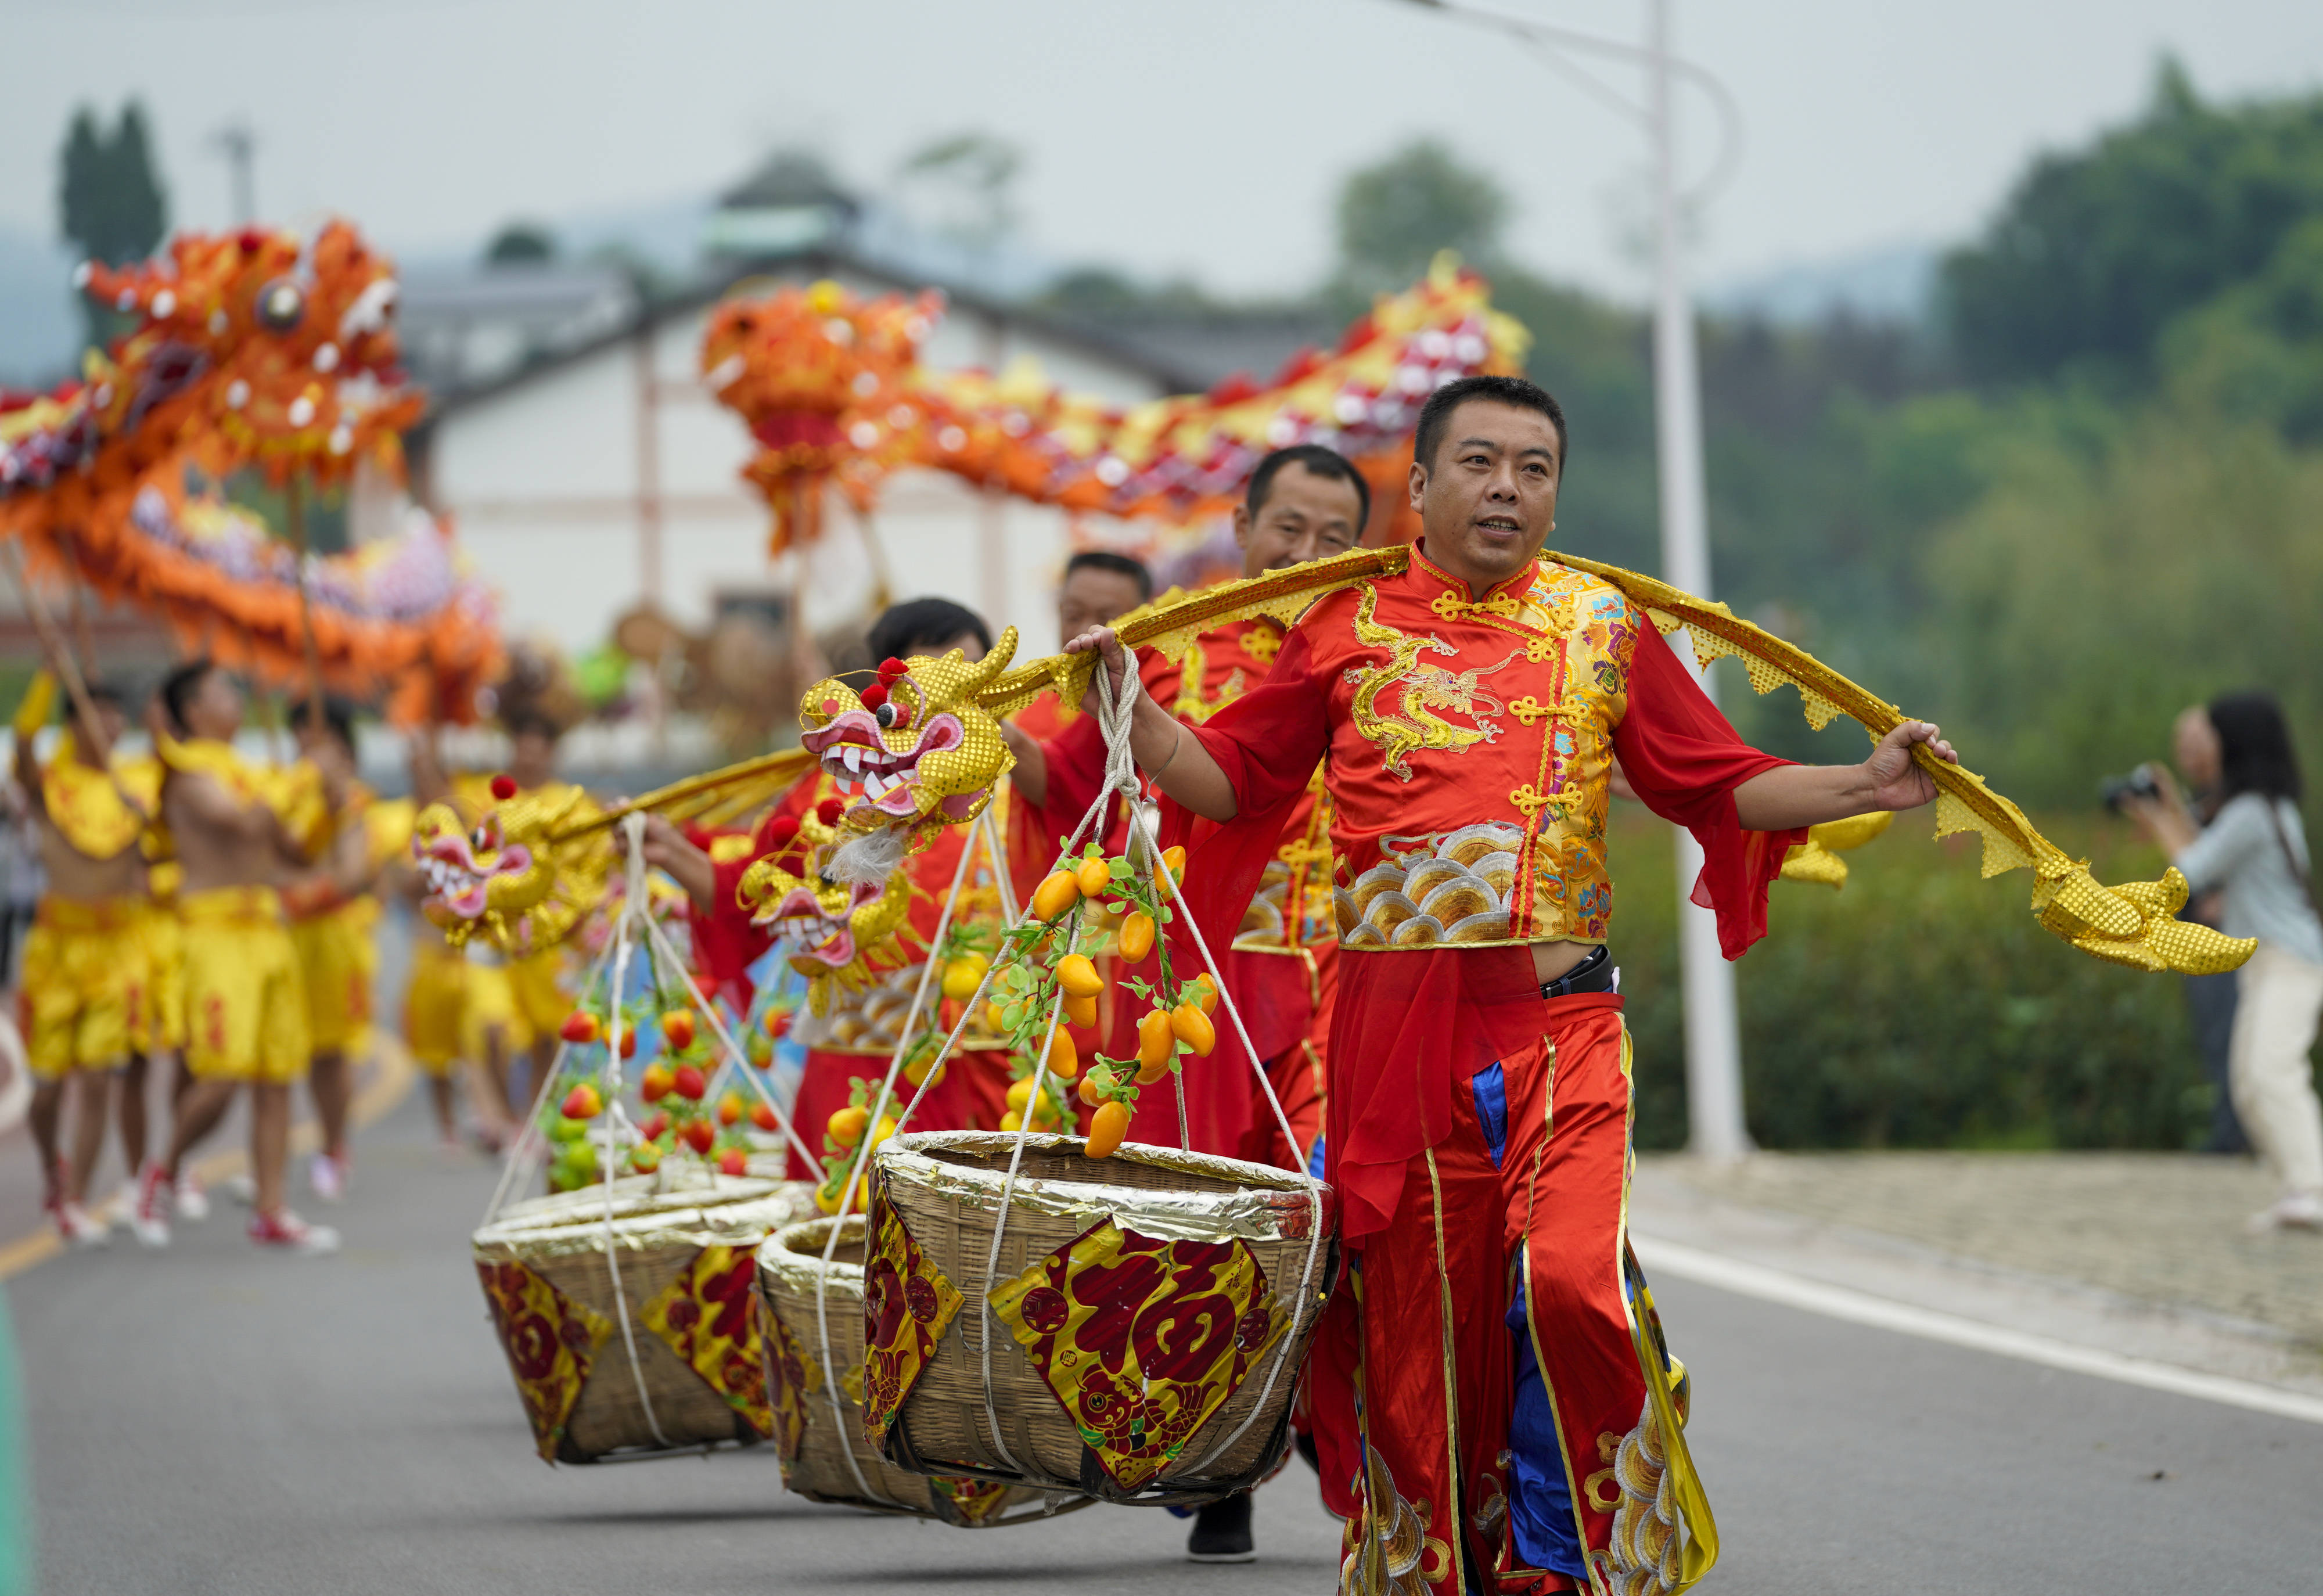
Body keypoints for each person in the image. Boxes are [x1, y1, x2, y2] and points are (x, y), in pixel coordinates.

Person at [1070, 374, 1957, 1593]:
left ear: (1554, 493)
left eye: (1531, 468)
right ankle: (1441, 1566)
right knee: (1417, 1340)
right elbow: (1231, 779)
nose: (1505, 487)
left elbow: (1717, 780)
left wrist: (1863, 784)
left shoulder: (1599, 628)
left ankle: (1573, 1555)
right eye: (1478, 462)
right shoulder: (1338, 631)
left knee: (1567, 1285)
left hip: (1559, 1025)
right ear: (1419, 488)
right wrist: (1132, 715)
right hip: (1393, 1038)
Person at [641, 598, 1020, 1175]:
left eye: (963, 674)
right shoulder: (832, 793)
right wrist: (664, 849)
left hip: (997, 1078)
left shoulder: (1021, 785)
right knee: (843, 1249)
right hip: (856, 1074)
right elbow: (744, 895)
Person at [131, 660, 337, 1254]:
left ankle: (272, 1210)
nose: (236, 696)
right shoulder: (187, 771)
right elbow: (245, 825)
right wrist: (302, 775)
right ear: (194, 710)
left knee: (276, 1078)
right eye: (222, 690)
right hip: (214, 935)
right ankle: (164, 1169)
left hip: (266, 930)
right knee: (221, 1075)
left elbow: (296, 853)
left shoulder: (248, 771)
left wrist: (327, 800)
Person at [2126, 692, 2323, 1231]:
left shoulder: (2252, 812)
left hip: (2291, 961)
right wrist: (2168, 807)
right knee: (2248, 1083)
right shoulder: (2260, 808)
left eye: (2210, 733)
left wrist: (2152, 814)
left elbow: (2193, 867)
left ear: (2235, 741)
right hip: (2271, 965)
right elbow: (2206, 852)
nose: (2202, 744)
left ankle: (2313, 1188)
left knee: (2273, 1071)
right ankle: (2299, 1190)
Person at [11, 671, 152, 1246]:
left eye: (118, 715)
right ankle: (54, 1169)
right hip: (56, 951)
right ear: (75, 724)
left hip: (117, 949)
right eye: (99, 713)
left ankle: (77, 1200)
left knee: (99, 1079)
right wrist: (49, 676)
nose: (112, 724)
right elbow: (22, 748)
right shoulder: (52, 784)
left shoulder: (139, 784)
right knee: (45, 1093)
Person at [283, 699, 382, 1202]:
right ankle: (273, 1159)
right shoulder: (281, 794)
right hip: (281, 937)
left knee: (330, 1052)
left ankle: (333, 1147)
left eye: (319, 737)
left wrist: (296, 894)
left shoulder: (354, 802)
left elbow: (351, 874)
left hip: (333, 938)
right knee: (276, 1055)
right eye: (301, 736)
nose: (309, 747)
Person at [2164, 706, 2250, 1155]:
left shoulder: (2243, 803)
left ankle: (2235, 1136)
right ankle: (2230, 1130)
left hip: (2229, 936)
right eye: (2183, 745)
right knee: (2215, 1033)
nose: (2189, 753)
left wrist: (2161, 818)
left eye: (2198, 743)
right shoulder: (2207, 800)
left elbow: (2197, 865)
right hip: (2198, 934)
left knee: (2232, 1033)